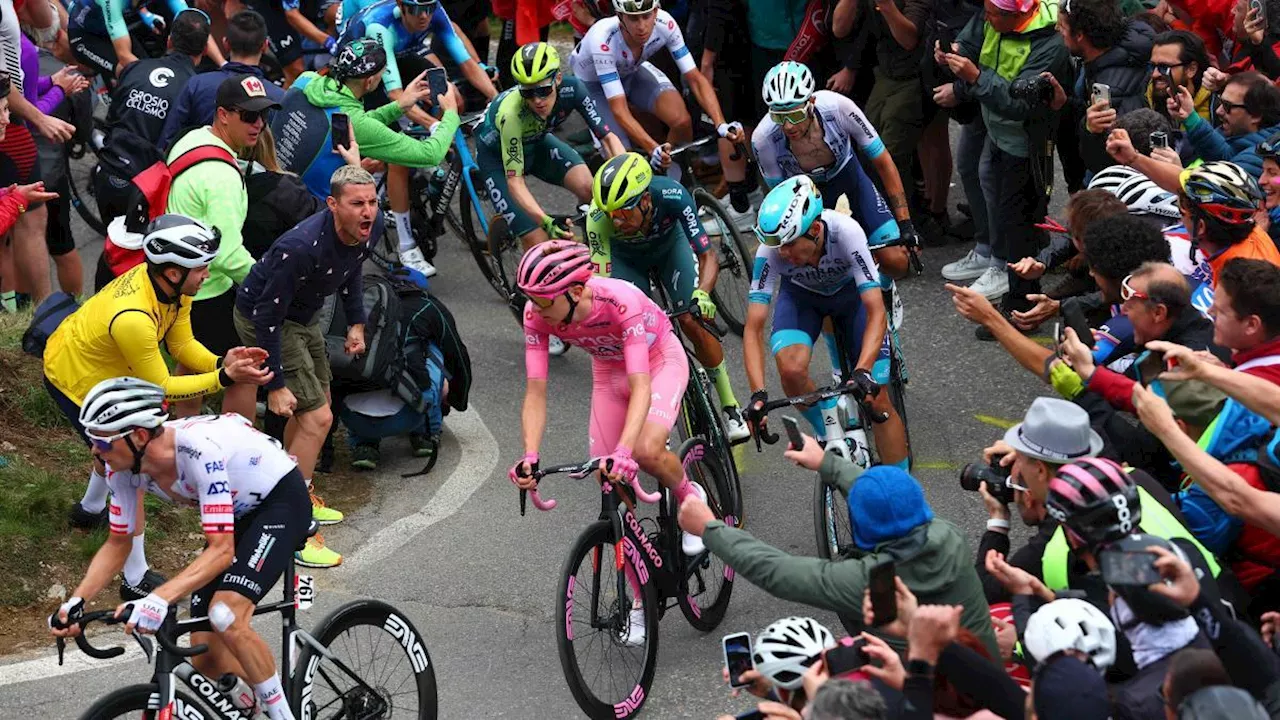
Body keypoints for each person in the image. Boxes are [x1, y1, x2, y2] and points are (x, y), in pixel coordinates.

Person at [49, 378, 310, 720]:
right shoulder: (123, 469)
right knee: (206, 658)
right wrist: (76, 602)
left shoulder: (198, 451)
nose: (95, 451)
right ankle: (248, 700)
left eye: (102, 442)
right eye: (91, 440)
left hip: (279, 502)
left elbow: (220, 550)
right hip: (237, 513)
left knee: (226, 614)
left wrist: (159, 599)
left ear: (139, 436)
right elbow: (118, 542)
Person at [43, 215, 272, 599]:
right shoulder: (133, 316)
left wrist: (222, 363)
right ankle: (134, 580)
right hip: (74, 379)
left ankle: (87, 510)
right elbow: (163, 386)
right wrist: (225, 379)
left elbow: (182, 346)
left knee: (116, 456)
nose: (207, 274)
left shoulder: (175, 289)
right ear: (170, 270)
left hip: (105, 369)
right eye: (201, 267)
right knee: (129, 465)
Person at [508, 242, 714, 600]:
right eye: (533, 300)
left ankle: (690, 496)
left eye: (543, 301)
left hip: (657, 360)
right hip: (607, 372)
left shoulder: (620, 302)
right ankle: (639, 600)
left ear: (575, 291)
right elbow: (536, 392)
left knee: (645, 449)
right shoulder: (535, 313)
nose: (536, 310)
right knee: (607, 477)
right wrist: (530, 454)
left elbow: (641, 384)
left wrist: (624, 450)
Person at [679, 445, 999, 658]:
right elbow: (893, 502)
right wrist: (826, 463)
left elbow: (776, 571)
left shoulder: (866, 580)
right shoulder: (949, 536)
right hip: (984, 686)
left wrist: (710, 528)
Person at [234, 165, 382, 569]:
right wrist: (276, 384)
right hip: (266, 321)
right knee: (316, 417)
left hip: (302, 319)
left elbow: (353, 270)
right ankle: (294, 528)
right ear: (333, 205)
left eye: (372, 201)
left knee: (321, 402)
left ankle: (292, 492)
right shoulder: (301, 246)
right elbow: (265, 315)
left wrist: (356, 321)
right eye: (357, 204)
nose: (368, 211)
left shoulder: (367, 227)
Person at [743, 176, 908, 468]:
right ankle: (831, 432)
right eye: (777, 246)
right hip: (803, 298)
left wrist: (863, 370)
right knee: (791, 370)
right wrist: (757, 394)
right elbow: (754, 327)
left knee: (877, 401)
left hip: (852, 296)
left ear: (815, 230)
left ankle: (903, 499)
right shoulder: (770, 252)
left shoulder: (846, 233)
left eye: (789, 244)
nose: (782, 253)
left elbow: (874, 310)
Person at [586, 152, 749, 441]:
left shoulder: (673, 195)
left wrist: (703, 294)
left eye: (624, 212)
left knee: (690, 318)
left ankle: (730, 406)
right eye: (612, 214)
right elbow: (603, 286)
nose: (617, 221)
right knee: (637, 334)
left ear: (646, 200)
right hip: (626, 261)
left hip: (669, 250)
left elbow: (707, 254)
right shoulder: (598, 220)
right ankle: (653, 407)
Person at [336, 0, 497, 276]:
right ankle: (406, 244)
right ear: (401, 6)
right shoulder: (380, 25)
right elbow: (396, 96)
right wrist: (436, 126)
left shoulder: (435, 13)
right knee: (400, 160)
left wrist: (497, 101)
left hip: (399, 56)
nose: (424, 16)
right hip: (365, 75)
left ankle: (426, 164)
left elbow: (468, 64)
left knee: (451, 94)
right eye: (416, 9)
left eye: (429, 8)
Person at [935, 0, 1072, 314]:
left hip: (1026, 143)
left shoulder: (1048, 44)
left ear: (1019, 15)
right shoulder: (994, 17)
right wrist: (953, 52)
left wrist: (975, 77)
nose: (986, 18)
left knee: (1017, 219)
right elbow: (971, 40)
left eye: (993, 15)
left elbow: (1020, 104)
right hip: (995, 130)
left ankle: (1017, 297)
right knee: (985, 185)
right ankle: (994, 258)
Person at [567, 0, 749, 216]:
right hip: (594, 86)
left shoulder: (666, 23)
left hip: (631, 72)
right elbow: (619, 110)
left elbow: (695, 78)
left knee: (682, 121)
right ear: (619, 16)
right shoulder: (603, 39)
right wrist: (653, 147)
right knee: (623, 157)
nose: (642, 26)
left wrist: (720, 124)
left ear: (656, 11)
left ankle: (662, 171)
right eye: (633, 18)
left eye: (646, 15)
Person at [166, 74, 281, 399]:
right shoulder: (221, 176)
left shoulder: (192, 140)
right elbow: (228, 254)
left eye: (263, 115)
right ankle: (237, 447)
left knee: (190, 368)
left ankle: (185, 437)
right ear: (223, 115)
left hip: (177, 282)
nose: (258, 124)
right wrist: (271, 287)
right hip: (207, 290)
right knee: (245, 373)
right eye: (248, 116)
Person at [752, 61, 916, 277]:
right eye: (779, 117)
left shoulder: (838, 107)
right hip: (805, 196)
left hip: (848, 177)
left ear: (811, 102)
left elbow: (883, 161)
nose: (788, 126)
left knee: (897, 263)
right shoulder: (763, 138)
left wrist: (905, 223)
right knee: (816, 266)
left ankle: (874, 280)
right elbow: (779, 195)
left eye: (795, 115)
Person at [475, 42, 624, 250]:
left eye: (544, 90)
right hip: (497, 160)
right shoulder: (511, 116)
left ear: (559, 79)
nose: (537, 100)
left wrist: (625, 176)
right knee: (538, 239)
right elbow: (515, 182)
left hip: (535, 142)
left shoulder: (573, 89)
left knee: (590, 190)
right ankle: (528, 281)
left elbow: (607, 138)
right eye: (528, 93)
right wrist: (545, 220)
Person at [271, 37, 457, 203]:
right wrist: (451, 113)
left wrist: (399, 106)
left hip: (278, 186)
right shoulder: (354, 123)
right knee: (374, 219)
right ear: (369, 82)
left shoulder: (307, 80)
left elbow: (342, 121)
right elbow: (430, 154)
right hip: (315, 209)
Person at [974, 397, 1105, 604]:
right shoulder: (1135, 478)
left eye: (1020, 459)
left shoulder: (1051, 547)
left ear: (1041, 470)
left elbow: (985, 590)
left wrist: (997, 521)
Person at [160, 10, 287, 149]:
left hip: (193, 166)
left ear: (226, 44)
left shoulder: (197, 84)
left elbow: (168, 143)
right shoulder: (280, 99)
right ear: (265, 46)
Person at [1061, 0, 1155, 174]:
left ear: (1080, 35)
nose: (1058, 31)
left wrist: (1089, 129)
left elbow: (1109, 157)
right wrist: (1065, 103)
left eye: (1062, 27)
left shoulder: (1114, 89)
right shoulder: (1106, 55)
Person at [103, 8, 209, 143]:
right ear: (205, 50)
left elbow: (111, 120)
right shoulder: (197, 89)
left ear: (169, 41)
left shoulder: (133, 68)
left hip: (110, 157)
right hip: (155, 162)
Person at [1178, 161, 1280, 291]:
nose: (1181, 218)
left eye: (1182, 210)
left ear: (1200, 227)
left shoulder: (1234, 283)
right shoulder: (1254, 230)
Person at [67, 0, 223, 78]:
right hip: (86, 36)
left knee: (146, 65)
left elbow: (195, 24)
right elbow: (124, 56)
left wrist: (224, 64)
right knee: (131, 73)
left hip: (112, 28)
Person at [1170, 70, 1280, 179]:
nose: (1218, 111)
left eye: (1227, 106)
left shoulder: (1258, 158)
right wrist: (1190, 116)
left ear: (1255, 115)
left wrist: (1177, 173)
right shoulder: (1242, 138)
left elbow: (1225, 163)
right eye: (1220, 101)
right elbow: (1223, 153)